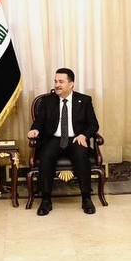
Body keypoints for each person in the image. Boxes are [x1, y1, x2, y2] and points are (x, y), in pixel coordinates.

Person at [28, 67, 100, 216]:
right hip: (54, 139)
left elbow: (93, 125)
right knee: (46, 156)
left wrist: (84, 135)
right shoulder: (47, 101)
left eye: (61, 81)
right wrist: (35, 130)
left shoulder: (84, 100)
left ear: (71, 84)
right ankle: (46, 200)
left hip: (75, 138)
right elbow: (39, 121)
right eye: (55, 81)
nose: (57, 85)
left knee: (81, 155)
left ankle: (86, 198)